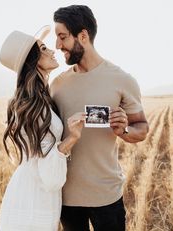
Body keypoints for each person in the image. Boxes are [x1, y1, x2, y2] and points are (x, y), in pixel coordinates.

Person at [50, 5, 149, 231]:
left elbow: (141, 128)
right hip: (66, 198)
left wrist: (123, 130)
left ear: (83, 36)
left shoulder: (122, 79)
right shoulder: (56, 85)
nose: (57, 45)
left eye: (62, 37)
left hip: (107, 195)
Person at [0, 25, 85, 231]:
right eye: (44, 48)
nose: (52, 50)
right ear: (32, 60)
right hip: (34, 197)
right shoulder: (31, 103)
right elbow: (50, 175)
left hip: (33, 190)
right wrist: (71, 138)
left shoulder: (39, 98)